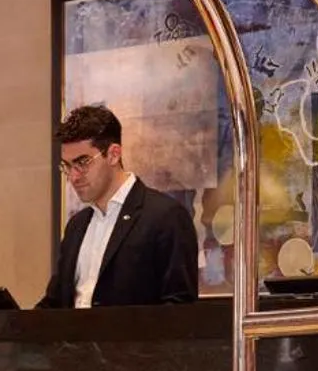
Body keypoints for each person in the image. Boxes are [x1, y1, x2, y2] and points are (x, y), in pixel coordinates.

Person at [37, 105, 199, 308]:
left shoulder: (166, 217)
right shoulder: (76, 226)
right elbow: (54, 303)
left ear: (113, 154)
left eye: (83, 162)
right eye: (67, 166)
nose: (73, 177)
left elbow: (179, 307)